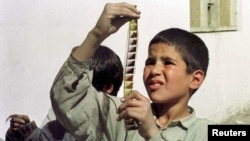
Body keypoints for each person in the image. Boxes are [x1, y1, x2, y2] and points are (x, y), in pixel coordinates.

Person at [50, 2, 215, 141]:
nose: (154, 70)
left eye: (168, 63)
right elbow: (66, 99)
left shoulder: (205, 132)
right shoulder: (124, 113)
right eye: (150, 62)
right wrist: (96, 35)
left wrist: (152, 133)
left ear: (195, 79)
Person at [5, 45, 124, 141]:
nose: (75, 91)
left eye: (83, 85)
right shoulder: (62, 125)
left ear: (107, 87)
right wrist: (23, 131)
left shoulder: (125, 125)